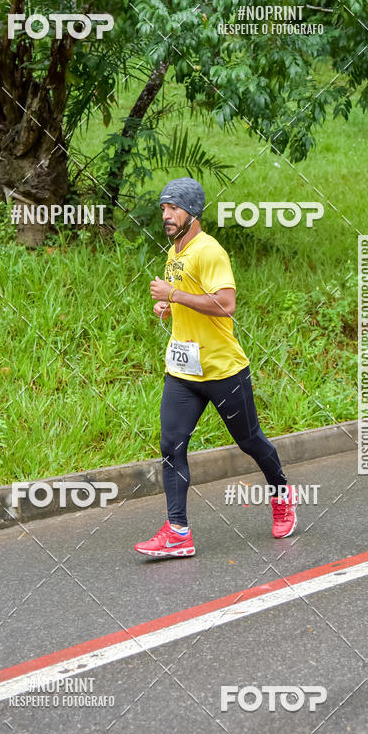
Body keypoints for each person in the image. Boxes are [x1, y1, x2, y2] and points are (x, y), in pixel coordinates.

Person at [134, 177, 298, 558]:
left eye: (173, 208)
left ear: (192, 211)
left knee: (249, 440)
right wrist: (171, 307)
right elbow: (193, 299)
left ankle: (282, 493)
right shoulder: (175, 250)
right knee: (170, 445)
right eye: (163, 208)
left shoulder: (210, 251)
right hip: (183, 370)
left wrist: (173, 294)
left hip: (223, 369)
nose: (166, 215)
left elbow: (225, 304)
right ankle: (178, 532)